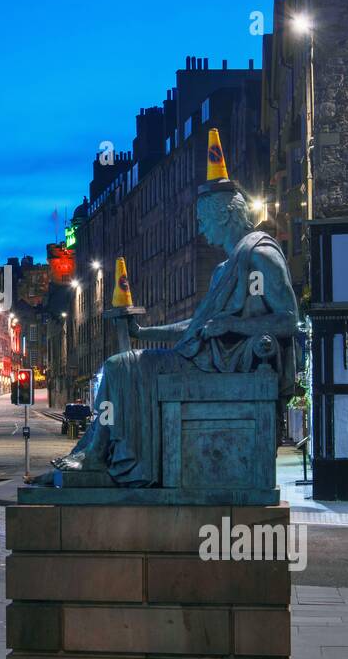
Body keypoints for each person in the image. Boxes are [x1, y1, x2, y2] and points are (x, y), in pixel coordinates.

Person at [49, 182, 299, 487]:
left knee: (117, 367)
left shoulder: (260, 254)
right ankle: (90, 452)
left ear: (224, 215)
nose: (201, 229)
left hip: (218, 366)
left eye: (204, 220)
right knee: (120, 366)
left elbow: (287, 319)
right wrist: (143, 331)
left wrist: (234, 326)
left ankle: (96, 455)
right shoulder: (225, 268)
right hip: (201, 359)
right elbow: (196, 327)